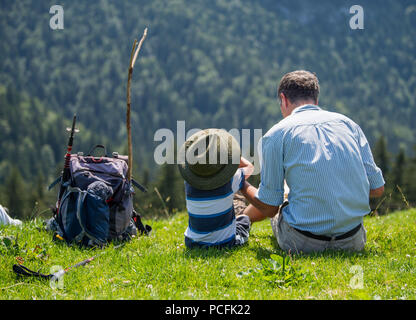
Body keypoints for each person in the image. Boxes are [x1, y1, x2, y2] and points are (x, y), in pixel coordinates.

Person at [241, 70, 385, 254]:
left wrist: (242, 184)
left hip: (300, 242)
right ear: (316, 100)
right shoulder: (349, 125)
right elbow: (377, 189)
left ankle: (240, 220)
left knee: (283, 193)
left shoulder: (276, 135)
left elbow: (270, 207)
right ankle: (241, 218)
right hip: (353, 241)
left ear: (283, 99)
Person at [177, 128, 254, 248]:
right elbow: (250, 167)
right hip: (224, 243)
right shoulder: (231, 180)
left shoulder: (188, 183)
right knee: (244, 220)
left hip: (192, 242)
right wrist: (234, 157)